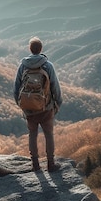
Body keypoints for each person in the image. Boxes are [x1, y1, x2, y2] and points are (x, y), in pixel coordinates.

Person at [14, 37, 63, 172]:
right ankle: (51, 164)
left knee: (32, 135)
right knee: (49, 135)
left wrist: (22, 105)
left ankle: (35, 165)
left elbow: (16, 88)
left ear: (30, 49)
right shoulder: (48, 65)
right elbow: (55, 87)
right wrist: (57, 104)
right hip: (46, 108)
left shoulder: (23, 66)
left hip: (29, 109)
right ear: (40, 49)